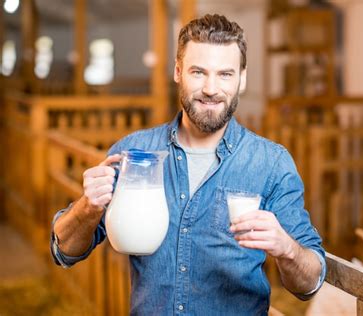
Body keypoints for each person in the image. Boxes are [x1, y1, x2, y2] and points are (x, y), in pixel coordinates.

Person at [51, 14, 326, 315]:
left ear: (242, 78)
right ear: (178, 72)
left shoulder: (270, 163)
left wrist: (286, 247)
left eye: (225, 74)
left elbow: (309, 282)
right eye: (198, 72)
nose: (211, 88)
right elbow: (63, 251)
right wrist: (87, 208)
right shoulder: (134, 153)